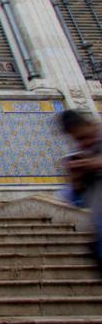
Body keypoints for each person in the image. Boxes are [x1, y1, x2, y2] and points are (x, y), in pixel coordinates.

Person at [57, 109, 102, 272]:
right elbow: (79, 202)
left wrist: (96, 164)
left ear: (90, 125)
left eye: (84, 137)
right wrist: (76, 181)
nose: (82, 144)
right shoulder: (85, 158)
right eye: (77, 140)